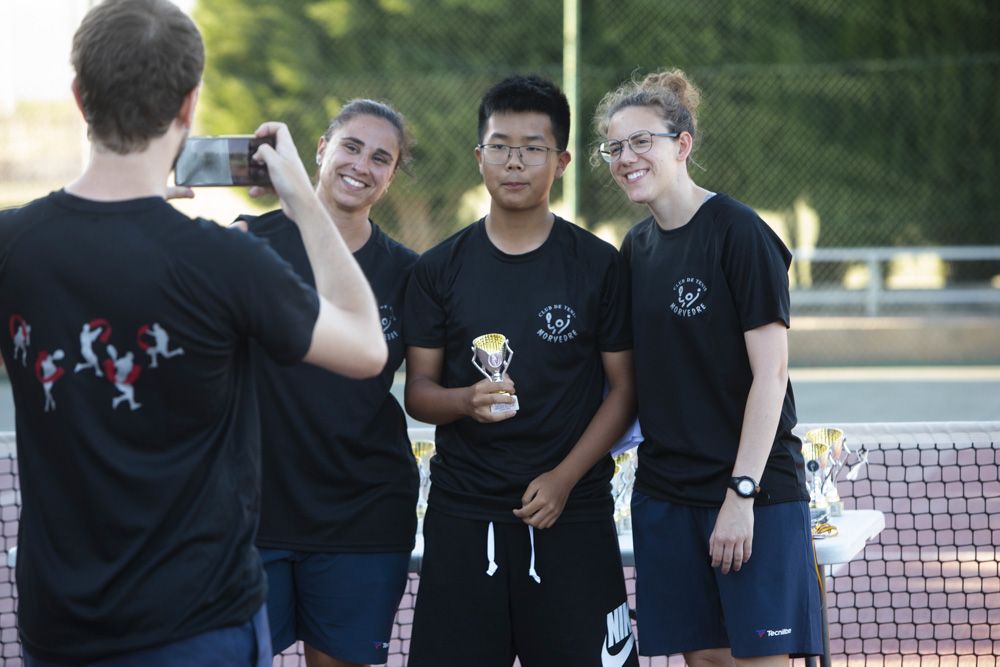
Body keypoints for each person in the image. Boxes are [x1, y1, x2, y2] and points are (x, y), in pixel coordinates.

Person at [0, 1, 386, 665]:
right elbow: (366, 345)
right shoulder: (222, 259)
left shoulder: (14, 244)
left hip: (58, 624)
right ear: (189, 105)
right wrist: (300, 198)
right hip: (198, 626)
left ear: (79, 96)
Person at [403, 74, 639, 667]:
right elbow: (420, 393)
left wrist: (563, 478)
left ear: (559, 161)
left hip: (575, 513)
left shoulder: (598, 265)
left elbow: (624, 390)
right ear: (479, 155)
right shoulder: (438, 269)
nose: (515, 162)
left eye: (533, 148)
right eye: (501, 145)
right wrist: (464, 402)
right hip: (464, 515)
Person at [593, 69, 823, 666]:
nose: (626, 158)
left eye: (642, 141)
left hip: (753, 494)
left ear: (683, 144)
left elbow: (770, 378)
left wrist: (740, 495)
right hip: (667, 498)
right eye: (614, 147)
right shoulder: (634, 251)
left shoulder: (740, 234)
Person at [236, 99, 419, 667]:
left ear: (390, 178)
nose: (362, 165)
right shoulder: (246, 245)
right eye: (351, 146)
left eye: (381, 158)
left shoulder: (409, 272)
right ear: (319, 150)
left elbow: (434, 386)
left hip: (363, 517)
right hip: (253, 515)